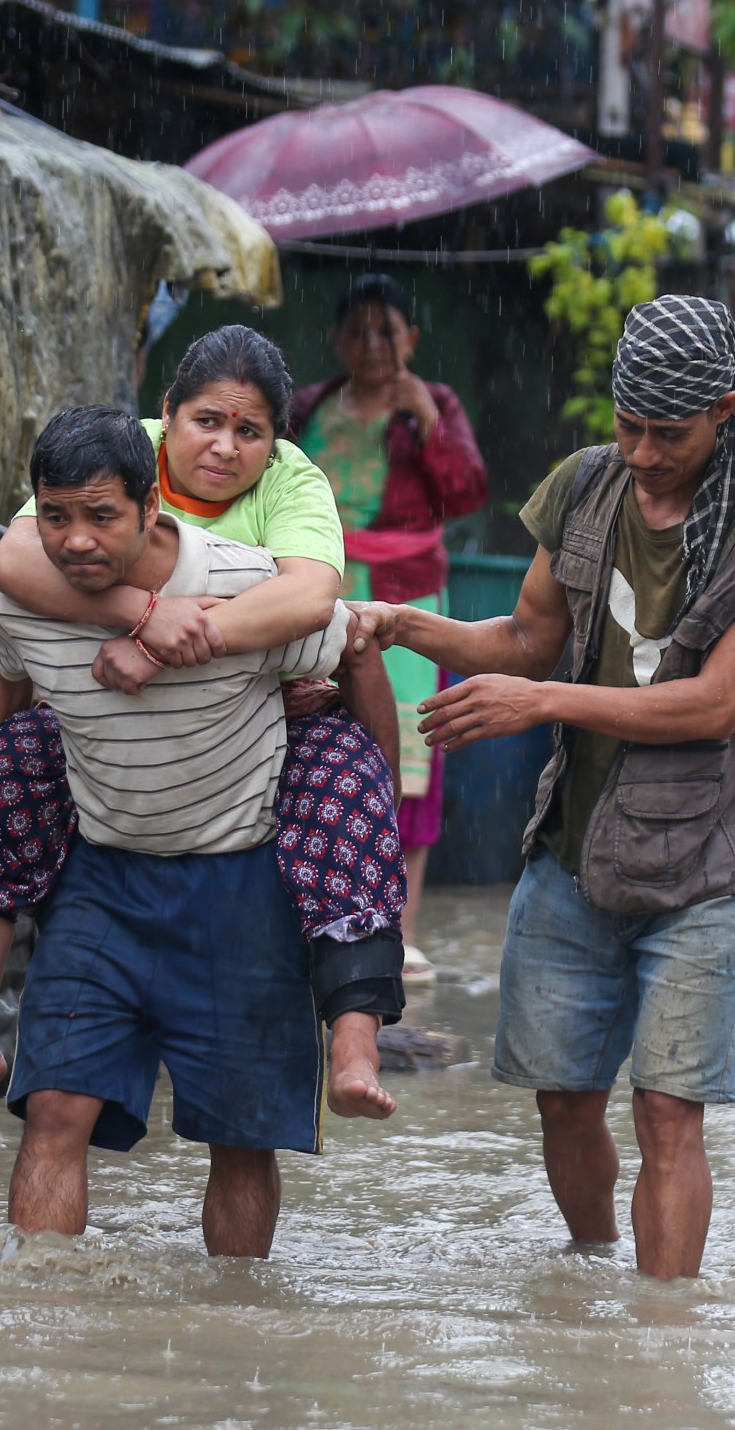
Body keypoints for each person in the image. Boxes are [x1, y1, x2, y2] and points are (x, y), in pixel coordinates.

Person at [350, 296, 735, 1279]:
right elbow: (528, 635)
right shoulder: (584, 487)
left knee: (668, 1110)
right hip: (571, 853)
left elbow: (712, 705)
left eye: (670, 434)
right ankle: (590, 1283)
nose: (646, 453)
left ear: (725, 410)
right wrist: (399, 624)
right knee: (563, 1100)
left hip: (706, 866)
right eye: (629, 428)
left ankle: (661, 1345)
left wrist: (542, 699)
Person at [0, 326, 407, 1134]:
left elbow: (315, 605)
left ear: (275, 444)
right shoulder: (109, 459)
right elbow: (14, 566)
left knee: (351, 795)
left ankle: (356, 1044)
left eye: (250, 431)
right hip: (111, 722)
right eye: (206, 422)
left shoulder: (291, 484)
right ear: (166, 418)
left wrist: (165, 649)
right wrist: (142, 616)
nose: (225, 447)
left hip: (279, 701)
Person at [0, 405, 364, 1256]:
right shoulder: (18, 600)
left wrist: (362, 797)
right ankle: (33, 1333)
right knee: (54, 1109)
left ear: (153, 507)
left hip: (241, 884)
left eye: (100, 516)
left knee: (239, 1136)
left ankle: (229, 1347)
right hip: (100, 878)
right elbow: (2, 676)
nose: (74, 540)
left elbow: (344, 645)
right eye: (54, 516)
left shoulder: (248, 586)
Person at [291, 274, 488, 978]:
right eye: (358, 331)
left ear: (411, 341)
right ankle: (323, 915)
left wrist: (426, 419)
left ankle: (399, 929)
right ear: (339, 341)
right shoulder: (309, 404)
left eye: (387, 330)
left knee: (408, 753)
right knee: (314, 733)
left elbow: (465, 490)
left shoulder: (432, 405)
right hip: (319, 589)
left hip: (403, 599)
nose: (372, 344)